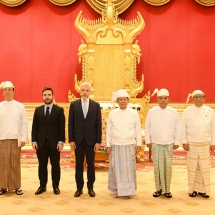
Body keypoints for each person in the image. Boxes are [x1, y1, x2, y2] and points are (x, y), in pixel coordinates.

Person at [145, 88, 180, 198]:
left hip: (169, 143)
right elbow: (147, 127)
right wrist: (148, 141)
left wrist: (176, 141)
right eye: (161, 98)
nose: (163, 100)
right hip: (156, 143)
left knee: (167, 167)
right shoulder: (152, 111)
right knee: (158, 168)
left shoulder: (173, 112)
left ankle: (167, 190)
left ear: (168, 99)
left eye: (165, 98)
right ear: (157, 99)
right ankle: (159, 189)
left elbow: (177, 128)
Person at [106, 89, 142, 198]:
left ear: (128, 100)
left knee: (128, 168)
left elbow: (138, 129)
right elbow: (109, 130)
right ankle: (117, 190)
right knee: (116, 168)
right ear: (117, 101)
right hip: (115, 145)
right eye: (120, 99)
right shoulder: (112, 113)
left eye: (125, 99)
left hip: (129, 144)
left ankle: (129, 191)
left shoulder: (134, 113)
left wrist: (138, 143)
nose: (123, 101)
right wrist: (108, 144)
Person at [68, 82, 102, 198]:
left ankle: (91, 188)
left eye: (87, 90)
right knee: (78, 165)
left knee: (91, 165)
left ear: (90, 92)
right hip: (77, 141)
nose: (85, 92)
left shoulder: (96, 106)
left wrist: (98, 141)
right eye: (83, 90)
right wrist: (71, 140)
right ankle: (79, 188)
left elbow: (98, 125)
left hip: (91, 141)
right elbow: (71, 123)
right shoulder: (73, 105)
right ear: (79, 91)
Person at [181, 90, 215, 198]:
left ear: (204, 98)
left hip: (205, 144)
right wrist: (184, 142)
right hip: (191, 144)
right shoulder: (187, 111)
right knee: (192, 167)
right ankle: (193, 189)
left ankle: (204, 190)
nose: (198, 99)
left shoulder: (210, 111)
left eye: (201, 97)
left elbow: (213, 128)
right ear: (193, 99)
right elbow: (183, 128)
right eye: (196, 97)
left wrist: (213, 142)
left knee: (204, 168)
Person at [32, 87, 65, 195]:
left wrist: (61, 142)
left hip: (55, 143)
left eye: (49, 95)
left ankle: (56, 186)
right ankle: (42, 186)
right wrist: (34, 141)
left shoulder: (59, 110)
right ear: (42, 97)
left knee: (55, 165)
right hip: (41, 143)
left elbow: (61, 127)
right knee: (42, 165)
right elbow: (35, 127)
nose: (47, 97)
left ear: (53, 96)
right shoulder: (38, 110)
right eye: (45, 95)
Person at [0, 81, 28, 195]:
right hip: (1, 139)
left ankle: (17, 186)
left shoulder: (19, 106)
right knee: (2, 163)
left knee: (15, 163)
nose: (7, 91)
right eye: (5, 90)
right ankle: (2, 187)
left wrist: (24, 138)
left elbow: (24, 123)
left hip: (16, 139)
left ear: (13, 91)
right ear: (2, 92)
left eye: (9, 89)